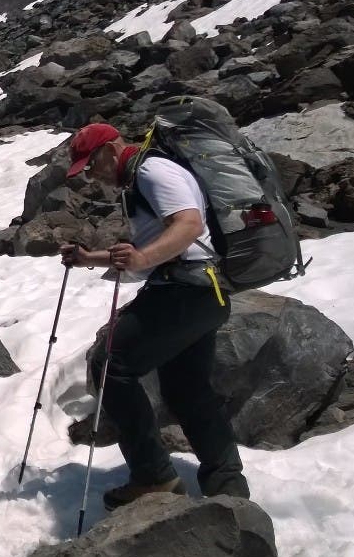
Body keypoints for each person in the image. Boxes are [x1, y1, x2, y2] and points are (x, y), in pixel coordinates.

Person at [58, 122, 249, 509]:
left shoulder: (151, 171)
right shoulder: (140, 180)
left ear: (112, 150)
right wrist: (88, 259)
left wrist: (143, 256)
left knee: (111, 364)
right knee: (186, 388)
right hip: (200, 293)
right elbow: (150, 253)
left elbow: (189, 225)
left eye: (92, 164)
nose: (92, 175)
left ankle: (153, 477)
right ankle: (227, 483)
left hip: (185, 292)